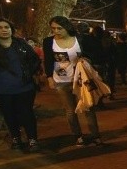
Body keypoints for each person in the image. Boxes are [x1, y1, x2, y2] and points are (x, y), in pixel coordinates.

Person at [43, 16, 105, 146]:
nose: (56, 31)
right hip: (61, 80)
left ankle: (95, 136)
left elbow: (96, 53)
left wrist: (88, 60)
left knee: (88, 107)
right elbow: (48, 60)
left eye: (59, 28)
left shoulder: (80, 39)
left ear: (67, 27)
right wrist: (49, 77)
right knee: (70, 110)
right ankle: (78, 136)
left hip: (81, 80)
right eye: (53, 28)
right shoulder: (49, 42)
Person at [0, 17, 42, 152]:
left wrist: (28, 74)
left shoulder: (21, 44)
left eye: (7, 27)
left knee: (27, 113)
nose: (4, 30)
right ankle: (16, 138)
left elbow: (34, 60)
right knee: (9, 114)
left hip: (24, 87)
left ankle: (32, 139)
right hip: (0, 89)